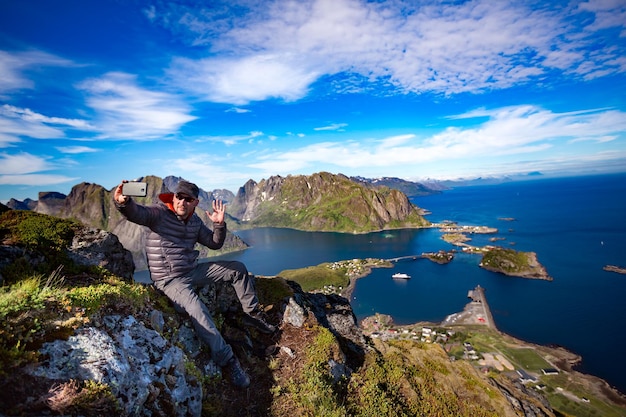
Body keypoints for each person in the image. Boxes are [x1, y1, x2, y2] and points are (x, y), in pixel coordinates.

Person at [113, 179, 276, 388]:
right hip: (169, 280)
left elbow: (215, 244)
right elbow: (137, 213)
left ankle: (253, 316)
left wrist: (219, 224)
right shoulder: (158, 213)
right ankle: (228, 360)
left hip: (192, 271)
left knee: (238, 269)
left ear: (195, 203)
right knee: (198, 310)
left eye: (188, 199)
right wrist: (123, 202)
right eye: (179, 197)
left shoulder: (194, 221)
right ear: (173, 197)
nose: (182, 202)